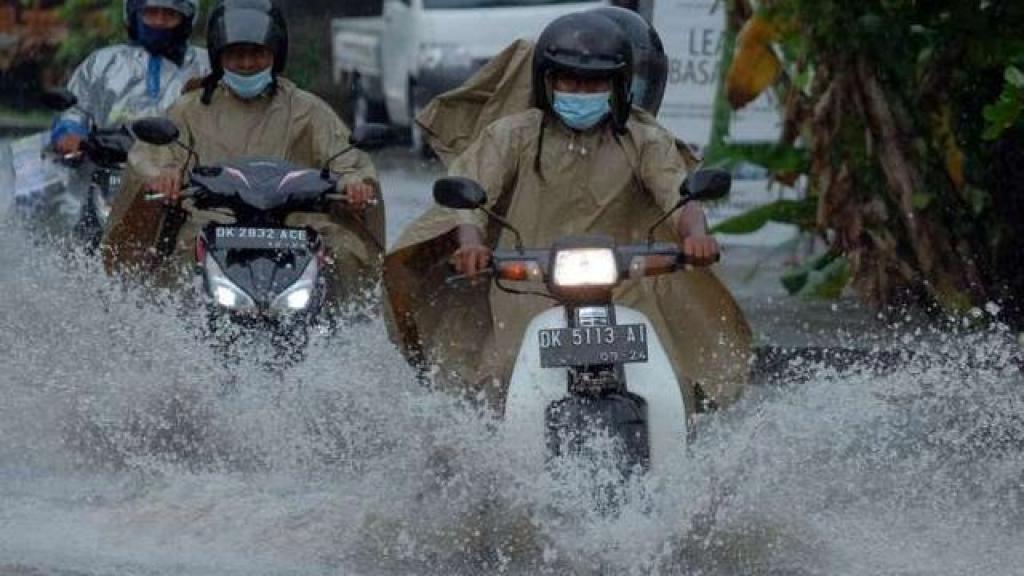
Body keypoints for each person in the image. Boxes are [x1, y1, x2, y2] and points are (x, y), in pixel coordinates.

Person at [385, 11, 751, 412]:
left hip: (625, 290)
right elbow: (476, 194)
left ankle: (682, 470)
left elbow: (678, 194)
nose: (581, 90)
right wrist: (471, 244)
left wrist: (695, 235)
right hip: (527, 288)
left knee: (674, 388)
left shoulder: (645, 138)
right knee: (497, 385)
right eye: (569, 80)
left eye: (594, 82)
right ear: (547, 83)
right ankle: (490, 470)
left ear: (618, 85)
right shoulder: (513, 135)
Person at [101, 0, 385, 310]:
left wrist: (354, 182)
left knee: (347, 253)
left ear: (275, 54)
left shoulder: (308, 109)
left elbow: (345, 157)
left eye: (256, 54)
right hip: (211, 224)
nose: (247, 63)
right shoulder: (190, 108)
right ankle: (173, 338)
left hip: (297, 225)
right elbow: (156, 153)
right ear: (218, 56)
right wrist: (162, 176)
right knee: (178, 260)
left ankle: (343, 335)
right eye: (236, 55)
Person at [51, 0, 209, 155]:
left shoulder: (206, 66)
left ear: (186, 19)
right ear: (134, 14)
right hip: (104, 169)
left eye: (169, 14)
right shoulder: (102, 63)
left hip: (183, 172)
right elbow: (75, 109)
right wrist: (70, 133)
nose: (159, 22)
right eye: (151, 13)